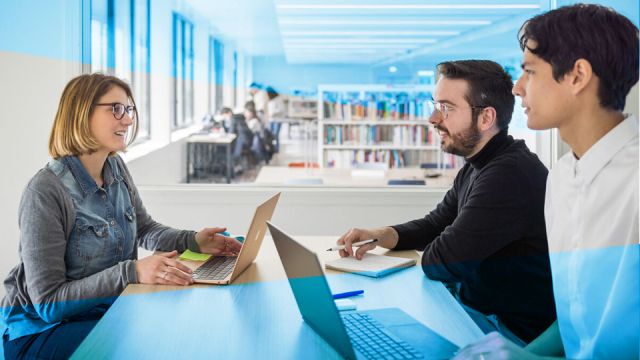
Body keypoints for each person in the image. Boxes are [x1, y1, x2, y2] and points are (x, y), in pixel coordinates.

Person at [1, 73, 243, 359]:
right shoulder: (45, 191)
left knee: (188, 322)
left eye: (128, 110)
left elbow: (146, 229)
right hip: (41, 332)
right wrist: (132, 271)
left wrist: (193, 241)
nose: (127, 120)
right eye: (116, 109)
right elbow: (49, 303)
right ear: (81, 113)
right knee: (156, 342)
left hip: (104, 311)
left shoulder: (115, 168)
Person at [455, 4, 639, 359]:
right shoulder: (561, 178)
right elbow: (578, 316)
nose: (517, 87)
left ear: (577, 76)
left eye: (529, 71)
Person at [337, 60, 556, 345]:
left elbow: (443, 260)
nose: (433, 118)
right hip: (478, 312)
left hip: (507, 332)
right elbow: (436, 224)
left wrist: (438, 245)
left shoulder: (508, 174)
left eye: (446, 108)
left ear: (486, 118)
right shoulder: (479, 164)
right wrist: (381, 235)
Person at [266, 86, 285, 152]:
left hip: (278, 120)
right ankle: (271, 148)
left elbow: (281, 109)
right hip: (271, 120)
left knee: (276, 135)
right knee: (271, 135)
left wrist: (273, 113)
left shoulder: (278, 99)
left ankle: (276, 149)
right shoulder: (270, 100)